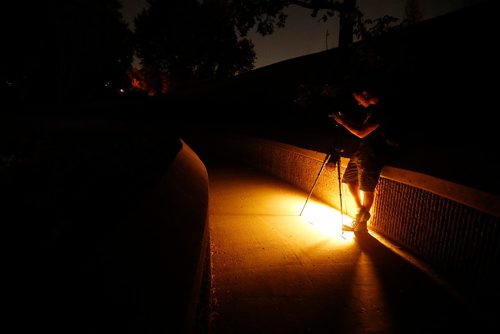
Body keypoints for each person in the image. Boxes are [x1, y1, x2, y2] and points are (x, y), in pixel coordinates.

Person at [329, 85, 396, 233]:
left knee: (366, 188)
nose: (358, 103)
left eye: (358, 99)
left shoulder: (382, 109)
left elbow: (361, 132)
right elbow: (362, 128)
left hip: (373, 153)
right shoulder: (372, 110)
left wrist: (343, 123)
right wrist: (345, 120)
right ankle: (361, 213)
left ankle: (361, 226)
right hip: (363, 150)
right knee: (348, 179)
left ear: (365, 93)